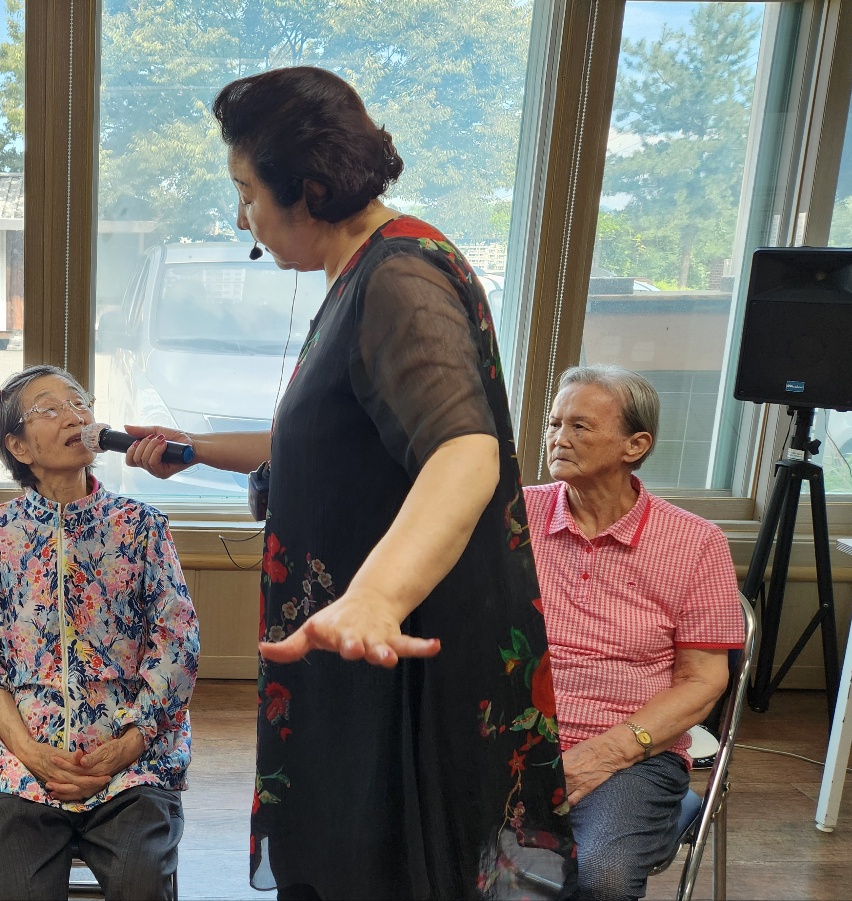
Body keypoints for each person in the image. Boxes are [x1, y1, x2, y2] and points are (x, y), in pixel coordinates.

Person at [121, 67, 575, 898]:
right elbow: (330, 442)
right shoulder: (361, 268)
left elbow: (465, 453)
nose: (242, 218)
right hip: (351, 641)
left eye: (247, 193)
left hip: (389, 651)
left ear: (312, 190)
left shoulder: (399, 281)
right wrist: (196, 448)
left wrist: (375, 597)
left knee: (378, 864)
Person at [0, 364, 199, 901]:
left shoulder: (141, 526)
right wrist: (30, 751)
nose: (74, 415)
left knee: (140, 883)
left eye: (79, 403)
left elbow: (177, 645)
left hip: (131, 762)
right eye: (49, 408)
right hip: (18, 764)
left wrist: (127, 747)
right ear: (19, 446)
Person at [527, 366, 744, 900]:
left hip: (633, 755)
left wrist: (605, 754)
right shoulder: (515, 515)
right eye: (554, 423)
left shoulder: (695, 542)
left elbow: (703, 680)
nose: (559, 438)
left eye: (580, 426)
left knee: (600, 876)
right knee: (418, 842)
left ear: (636, 445)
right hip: (513, 737)